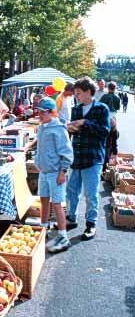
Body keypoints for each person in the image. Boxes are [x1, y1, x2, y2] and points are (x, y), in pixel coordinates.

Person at [64, 76, 111, 240]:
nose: (76, 96)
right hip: (76, 157)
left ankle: (91, 224)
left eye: (78, 93)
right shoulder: (76, 109)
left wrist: (85, 122)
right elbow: (73, 131)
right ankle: (71, 217)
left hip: (92, 158)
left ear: (89, 92)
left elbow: (104, 132)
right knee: (71, 191)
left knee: (90, 194)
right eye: (76, 94)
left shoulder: (102, 109)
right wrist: (70, 128)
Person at [34, 97, 74, 253]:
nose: (39, 115)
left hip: (56, 173)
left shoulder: (58, 129)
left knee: (57, 204)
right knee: (44, 200)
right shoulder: (43, 126)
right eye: (38, 111)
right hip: (44, 172)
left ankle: (63, 236)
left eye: (42, 112)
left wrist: (62, 172)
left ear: (51, 112)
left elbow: (67, 153)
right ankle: (43, 227)